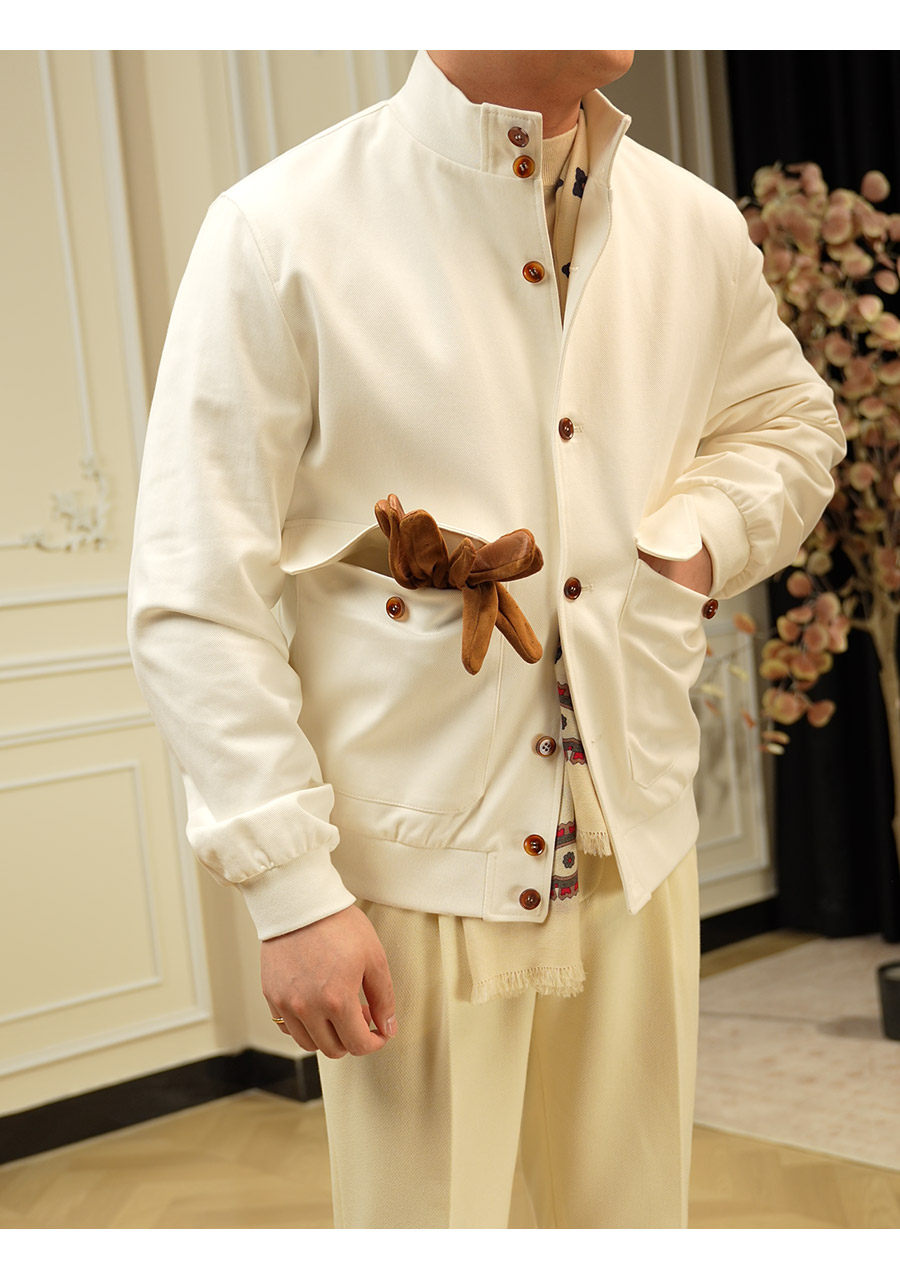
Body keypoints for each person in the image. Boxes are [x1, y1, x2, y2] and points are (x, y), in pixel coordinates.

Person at [126, 50, 846, 1228]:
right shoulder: (279, 226)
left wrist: (693, 538)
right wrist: (292, 892)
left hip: (635, 841)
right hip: (406, 870)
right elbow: (194, 589)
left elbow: (793, 424)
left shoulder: (693, 224)